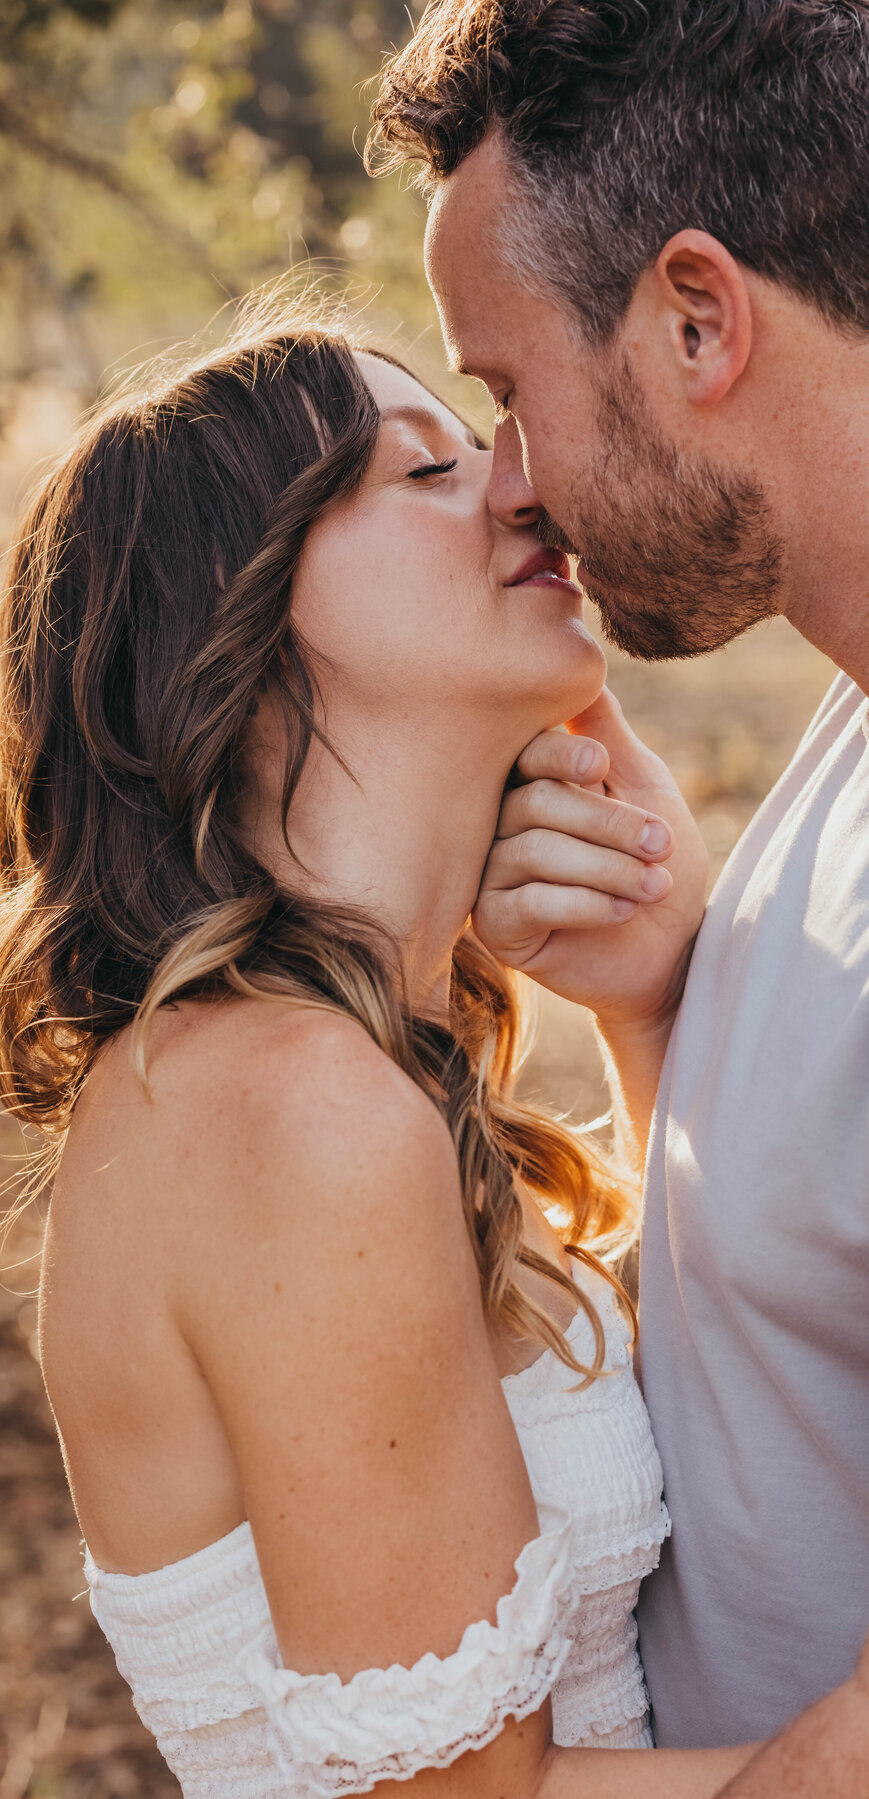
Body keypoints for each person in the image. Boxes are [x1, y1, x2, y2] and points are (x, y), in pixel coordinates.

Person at [370, 2, 869, 1795]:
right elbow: (817, 1329)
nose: (507, 480)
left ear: (697, 316)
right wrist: (664, 1004)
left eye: (509, 391)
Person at [0, 316, 758, 1797]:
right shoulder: (286, 1110)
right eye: (428, 471)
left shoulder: (348, 1071)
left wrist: (651, 1010)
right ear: (247, 609)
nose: (526, 489)